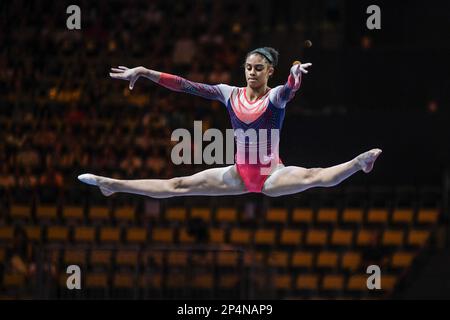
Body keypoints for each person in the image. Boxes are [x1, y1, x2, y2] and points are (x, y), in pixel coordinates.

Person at [78, 47, 382, 198]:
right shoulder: (228, 93)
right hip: (237, 174)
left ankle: (359, 163)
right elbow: (185, 85)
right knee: (178, 185)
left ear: (269, 71)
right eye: (248, 67)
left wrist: (295, 76)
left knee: (314, 175)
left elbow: (289, 91)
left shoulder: (274, 96)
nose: (251, 72)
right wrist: (145, 71)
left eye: (258, 68)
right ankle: (112, 185)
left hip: (271, 175)